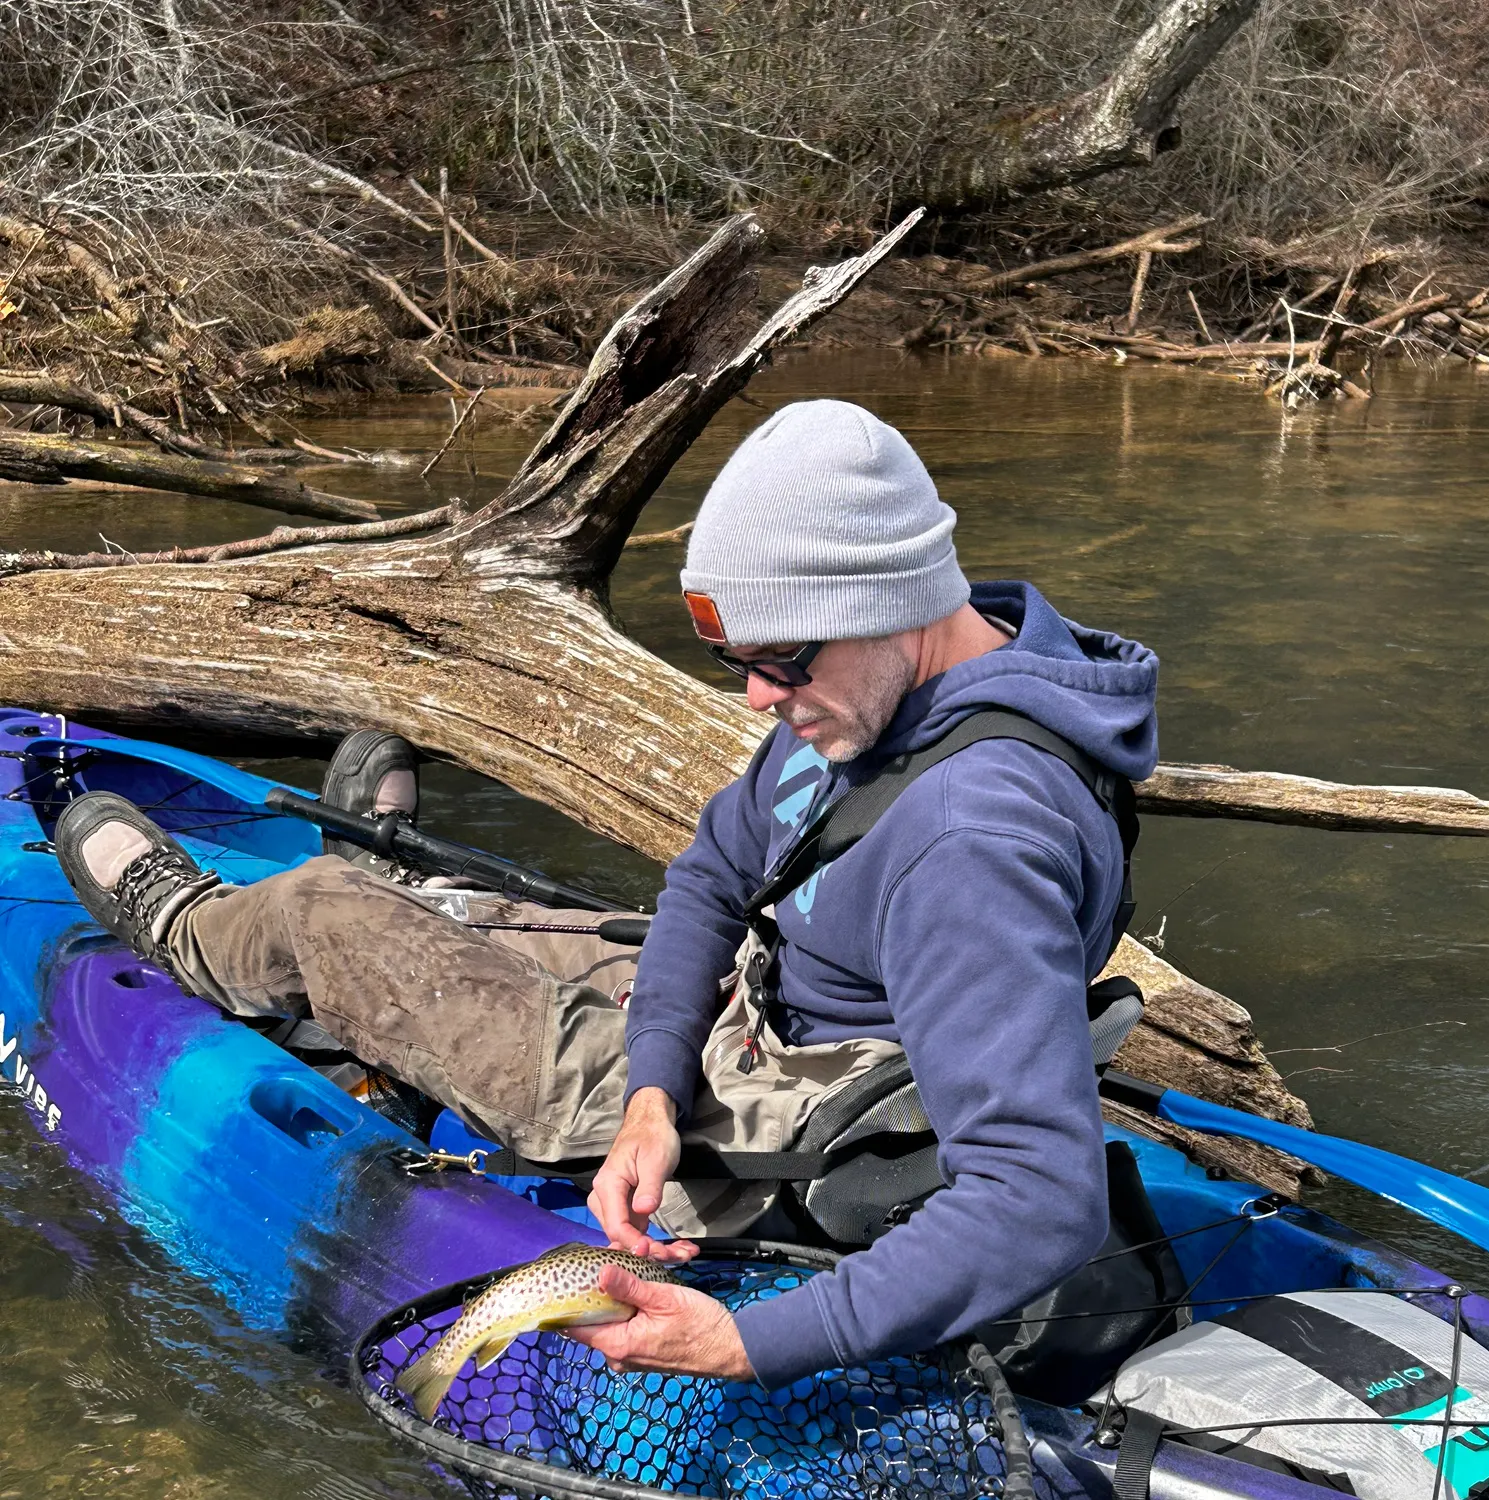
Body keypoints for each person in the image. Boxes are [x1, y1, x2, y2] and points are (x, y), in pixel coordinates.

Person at [53, 399, 1158, 1392]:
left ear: (893, 598)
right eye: (737, 662)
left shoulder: (971, 839)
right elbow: (718, 873)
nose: (764, 699)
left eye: (783, 661)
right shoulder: (902, 688)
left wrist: (746, 1342)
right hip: (751, 1020)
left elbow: (1037, 1197)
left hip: (793, 1132)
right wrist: (650, 1093)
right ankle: (419, 893)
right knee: (450, 916)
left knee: (324, 917)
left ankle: (188, 925)